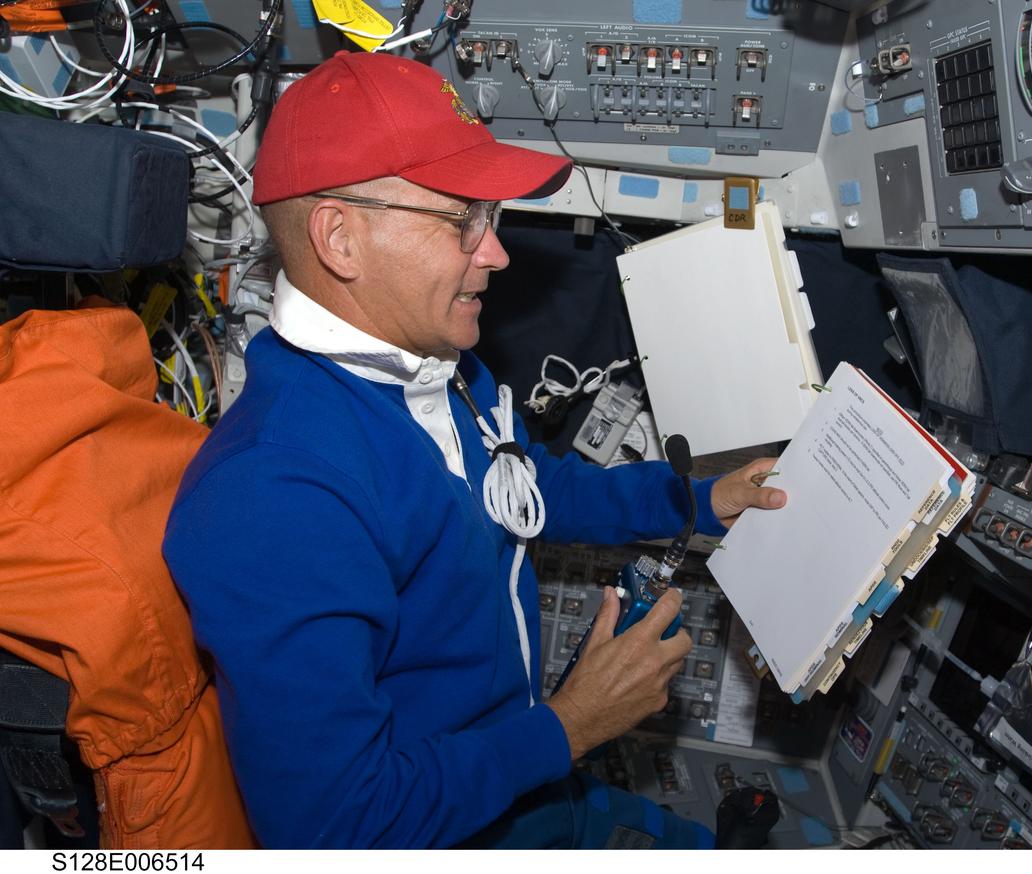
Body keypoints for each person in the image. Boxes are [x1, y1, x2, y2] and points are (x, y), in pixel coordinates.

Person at [162, 51, 786, 849]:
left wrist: (697, 500)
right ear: (341, 239)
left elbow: (527, 489)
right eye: (463, 219)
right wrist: (568, 727)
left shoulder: (436, 367)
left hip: (526, 784)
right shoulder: (276, 495)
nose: (495, 253)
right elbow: (334, 829)